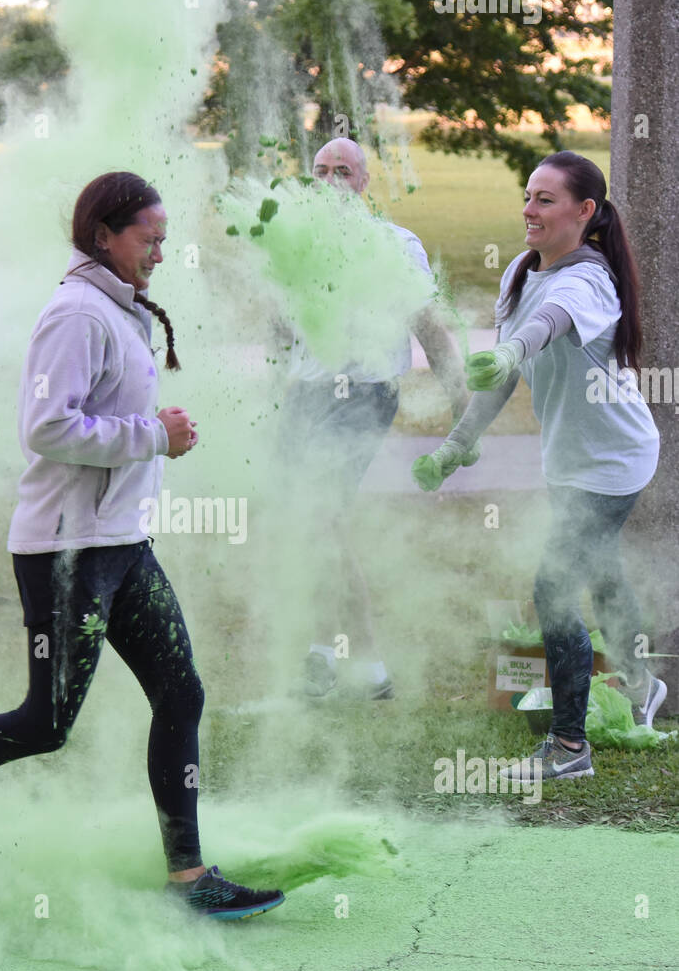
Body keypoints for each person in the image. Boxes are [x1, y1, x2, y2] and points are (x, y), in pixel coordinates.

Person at [0, 172, 285, 920]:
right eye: (149, 239)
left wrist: (149, 435)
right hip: (67, 553)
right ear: (104, 236)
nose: (160, 254)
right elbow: (46, 427)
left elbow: (100, 416)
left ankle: (188, 879)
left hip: (120, 544)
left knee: (181, 694)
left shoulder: (119, 309)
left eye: (164, 240)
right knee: (45, 723)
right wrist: (153, 437)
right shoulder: (77, 313)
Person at [413, 149, 665, 778]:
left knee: (553, 588)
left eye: (545, 200)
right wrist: (456, 443)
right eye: (527, 196)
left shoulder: (590, 281)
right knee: (600, 569)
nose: (529, 210)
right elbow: (503, 374)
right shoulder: (522, 273)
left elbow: (546, 329)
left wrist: (512, 350)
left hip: (614, 461)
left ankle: (570, 747)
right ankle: (640, 685)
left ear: (584, 212)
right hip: (571, 461)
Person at [277, 137, 469, 699]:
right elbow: (284, 330)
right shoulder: (295, 241)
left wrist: (462, 404)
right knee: (312, 526)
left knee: (320, 516)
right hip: (307, 396)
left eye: (344, 171)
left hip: (364, 394)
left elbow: (430, 328)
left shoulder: (395, 244)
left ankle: (365, 665)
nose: (331, 179)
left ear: (363, 183)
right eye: (321, 170)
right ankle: (327, 657)